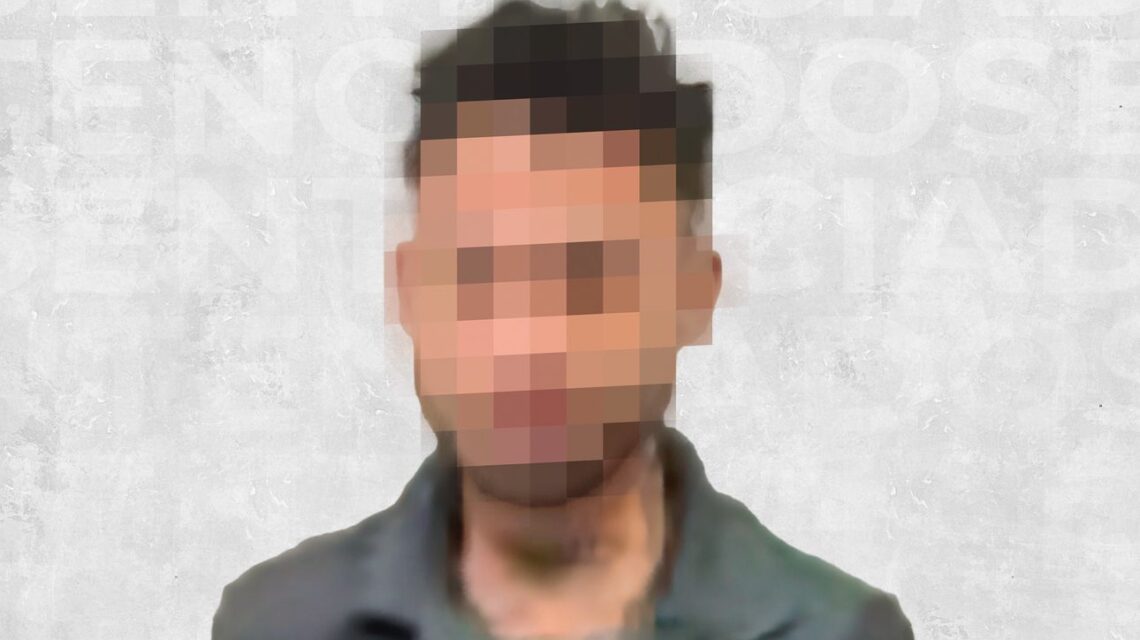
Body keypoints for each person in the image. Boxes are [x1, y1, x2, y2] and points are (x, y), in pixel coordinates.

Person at [212, 1, 914, 638]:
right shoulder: (277, 625)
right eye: (477, 269)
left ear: (694, 295)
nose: (527, 337)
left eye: (588, 275)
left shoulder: (836, 632)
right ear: (410, 291)